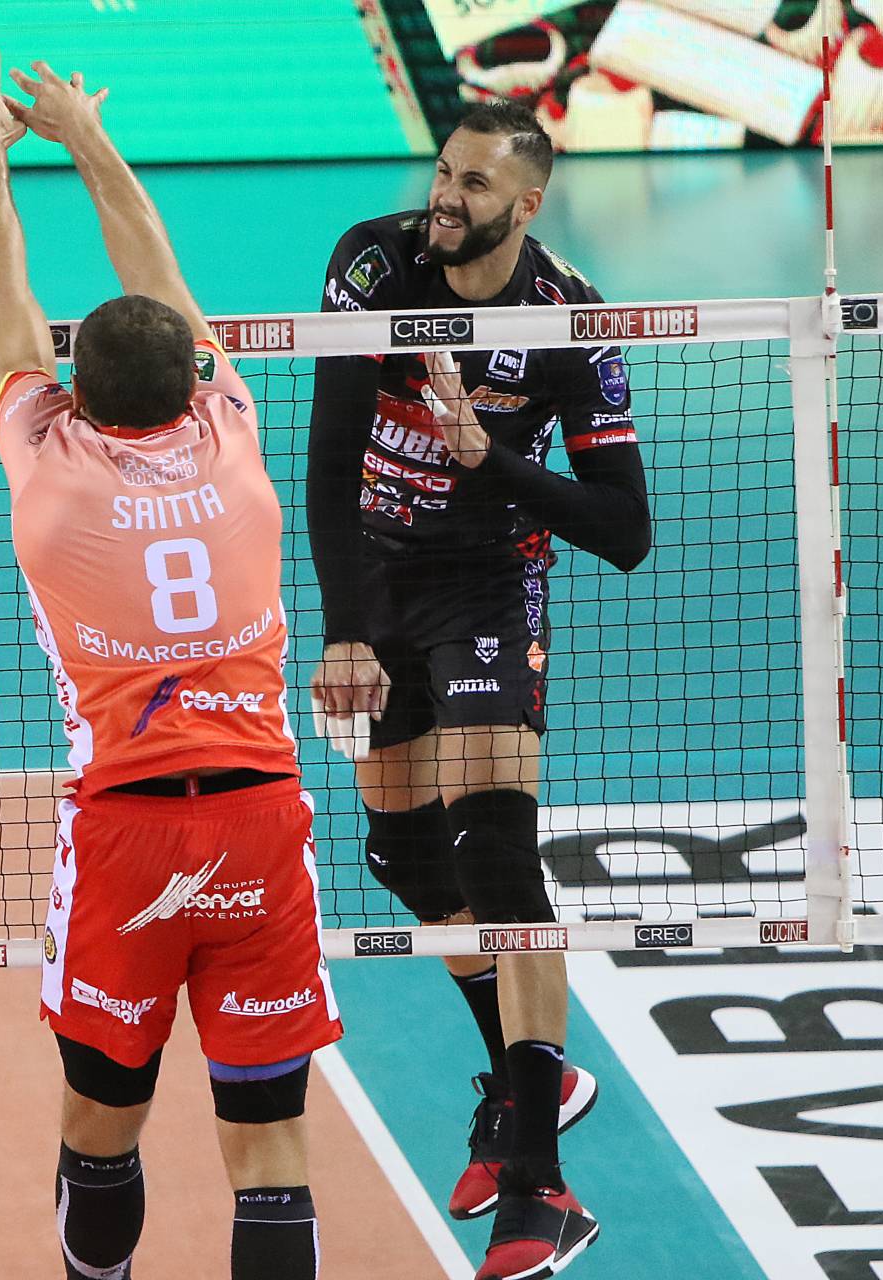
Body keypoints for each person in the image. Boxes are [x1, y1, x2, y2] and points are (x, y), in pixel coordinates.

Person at [0, 52, 343, 1280]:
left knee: (100, 1130)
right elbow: (159, 274)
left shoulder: (48, 478)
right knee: (270, 1142)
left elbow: (1, 290)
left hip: (127, 834)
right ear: (195, 380)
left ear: (75, 396)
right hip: (261, 820)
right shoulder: (233, 440)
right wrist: (86, 137)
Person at [306, 99, 651, 1280]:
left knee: (497, 857)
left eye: (475, 184)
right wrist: (344, 631)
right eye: (445, 172)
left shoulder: (568, 320)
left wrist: (489, 460)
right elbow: (331, 451)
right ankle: (523, 1078)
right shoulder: (373, 263)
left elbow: (625, 529)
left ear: (529, 203)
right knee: (404, 859)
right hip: (377, 581)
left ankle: (539, 1183)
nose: (445, 197)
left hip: (487, 590)